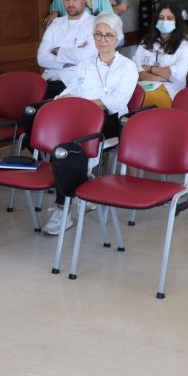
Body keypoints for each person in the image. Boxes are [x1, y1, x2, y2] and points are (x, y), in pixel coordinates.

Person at [45, 13, 138, 234]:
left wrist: (84, 103)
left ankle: (62, 209)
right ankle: (78, 191)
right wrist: (62, 99)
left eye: (108, 35)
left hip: (111, 120)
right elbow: (71, 90)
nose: (102, 40)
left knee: (71, 148)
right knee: (61, 146)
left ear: (118, 38)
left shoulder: (127, 67)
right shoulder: (85, 64)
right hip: (81, 118)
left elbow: (116, 102)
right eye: (98, 34)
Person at [37, 0, 98, 100]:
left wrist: (57, 51)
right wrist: (71, 58)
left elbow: (84, 56)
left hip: (72, 85)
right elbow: (41, 58)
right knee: (22, 95)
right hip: (47, 81)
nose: (70, 3)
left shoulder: (95, 24)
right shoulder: (56, 23)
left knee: (33, 107)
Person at [133, 3, 188, 108]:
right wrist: (159, 77)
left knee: (146, 98)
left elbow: (176, 75)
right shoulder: (146, 42)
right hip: (142, 86)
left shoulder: (185, 47)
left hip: (169, 90)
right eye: (161, 18)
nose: (164, 21)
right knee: (128, 95)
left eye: (169, 18)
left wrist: (150, 68)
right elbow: (135, 70)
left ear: (177, 21)